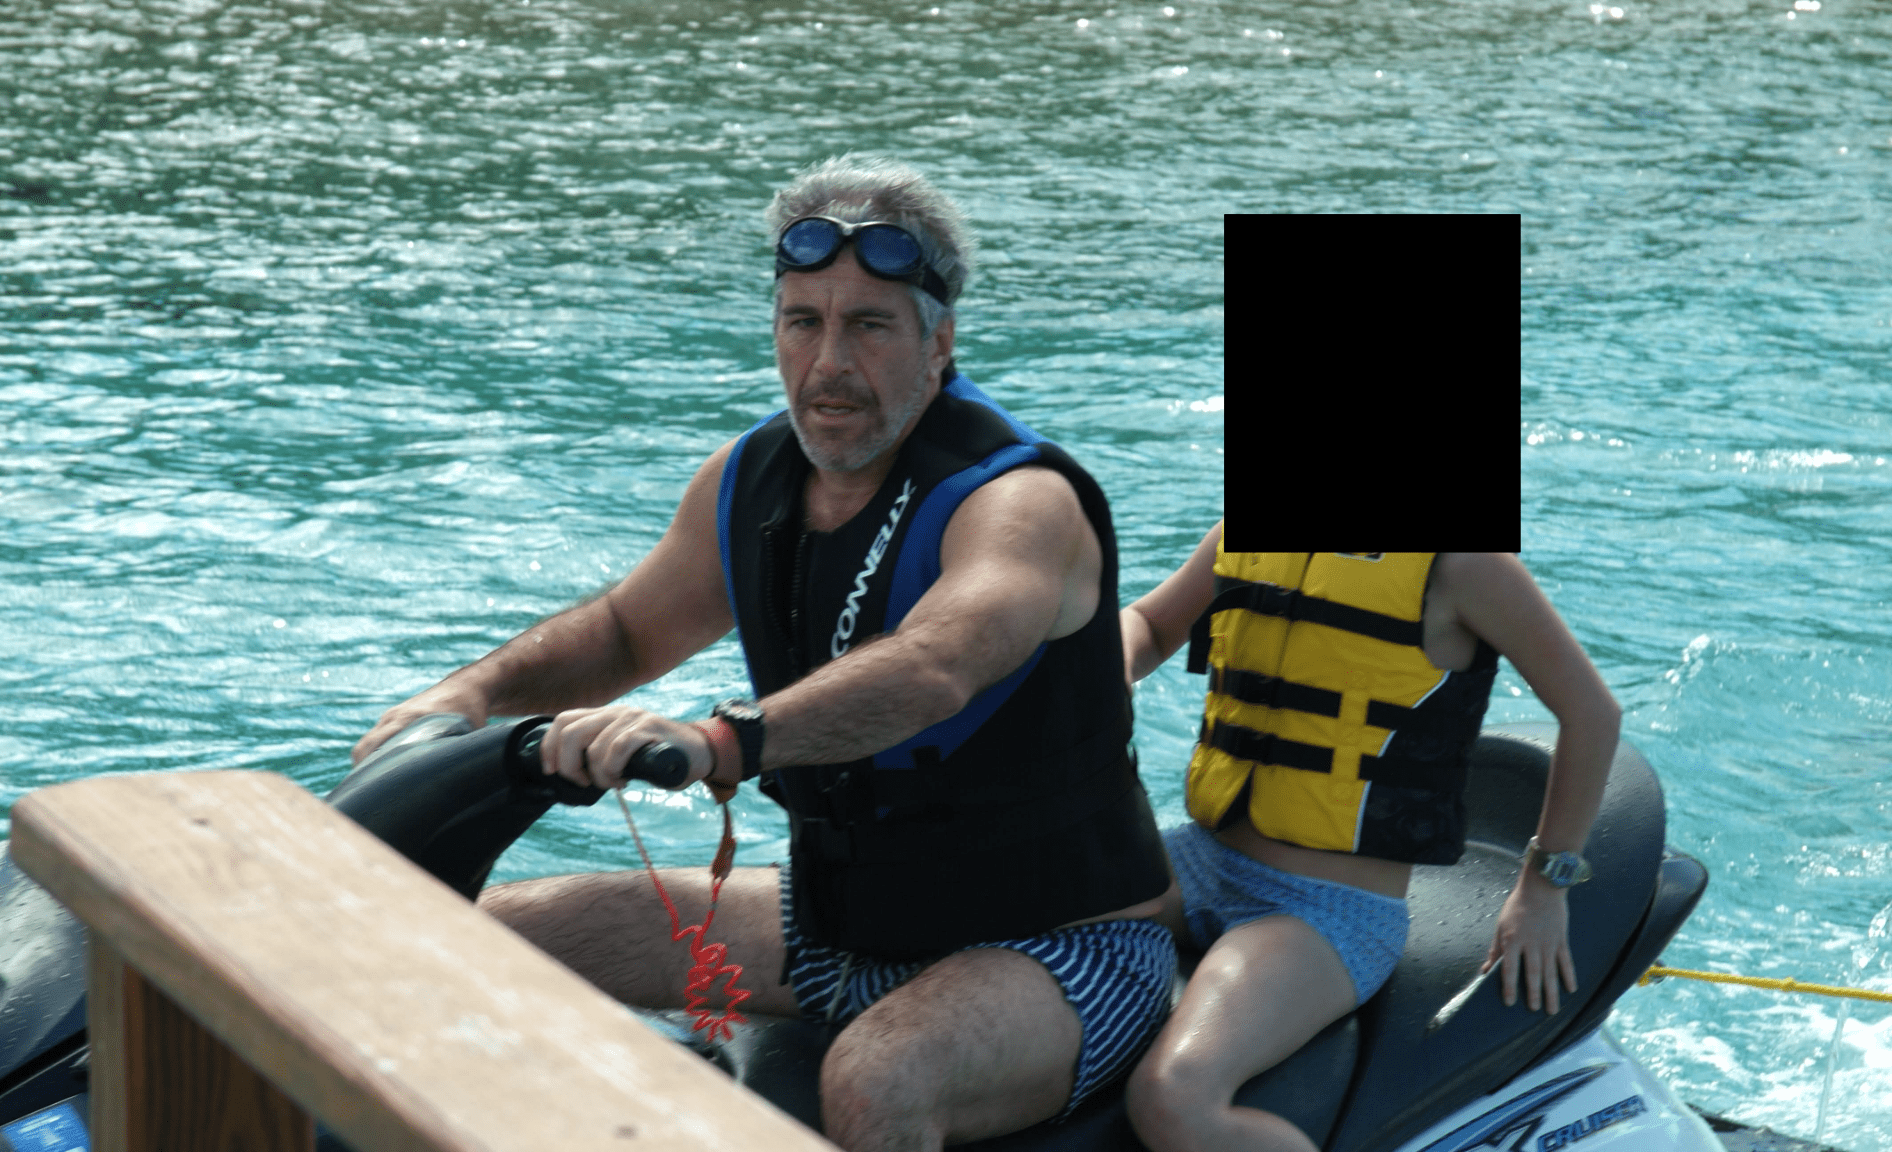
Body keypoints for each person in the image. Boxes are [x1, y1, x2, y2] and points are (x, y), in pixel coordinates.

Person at [354, 154, 1176, 1152]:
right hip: (832, 928)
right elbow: (625, 632)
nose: (829, 361)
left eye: (869, 326)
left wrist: (721, 741)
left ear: (938, 343)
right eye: (802, 322)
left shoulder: (1017, 502)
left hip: (1064, 946)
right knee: (470, 944)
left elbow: (935, 665)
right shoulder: (748, 480)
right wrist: (471, 693)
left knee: (876, 1080)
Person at [1118, 530, 1621, 1152]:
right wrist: (1116, 663)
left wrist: (1544, 887)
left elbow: (1593, 713)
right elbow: (1149, 624)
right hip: (1200, 862)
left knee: (1173, 1099)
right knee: (1009, 920)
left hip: (1324, 912)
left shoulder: (1464, 565)